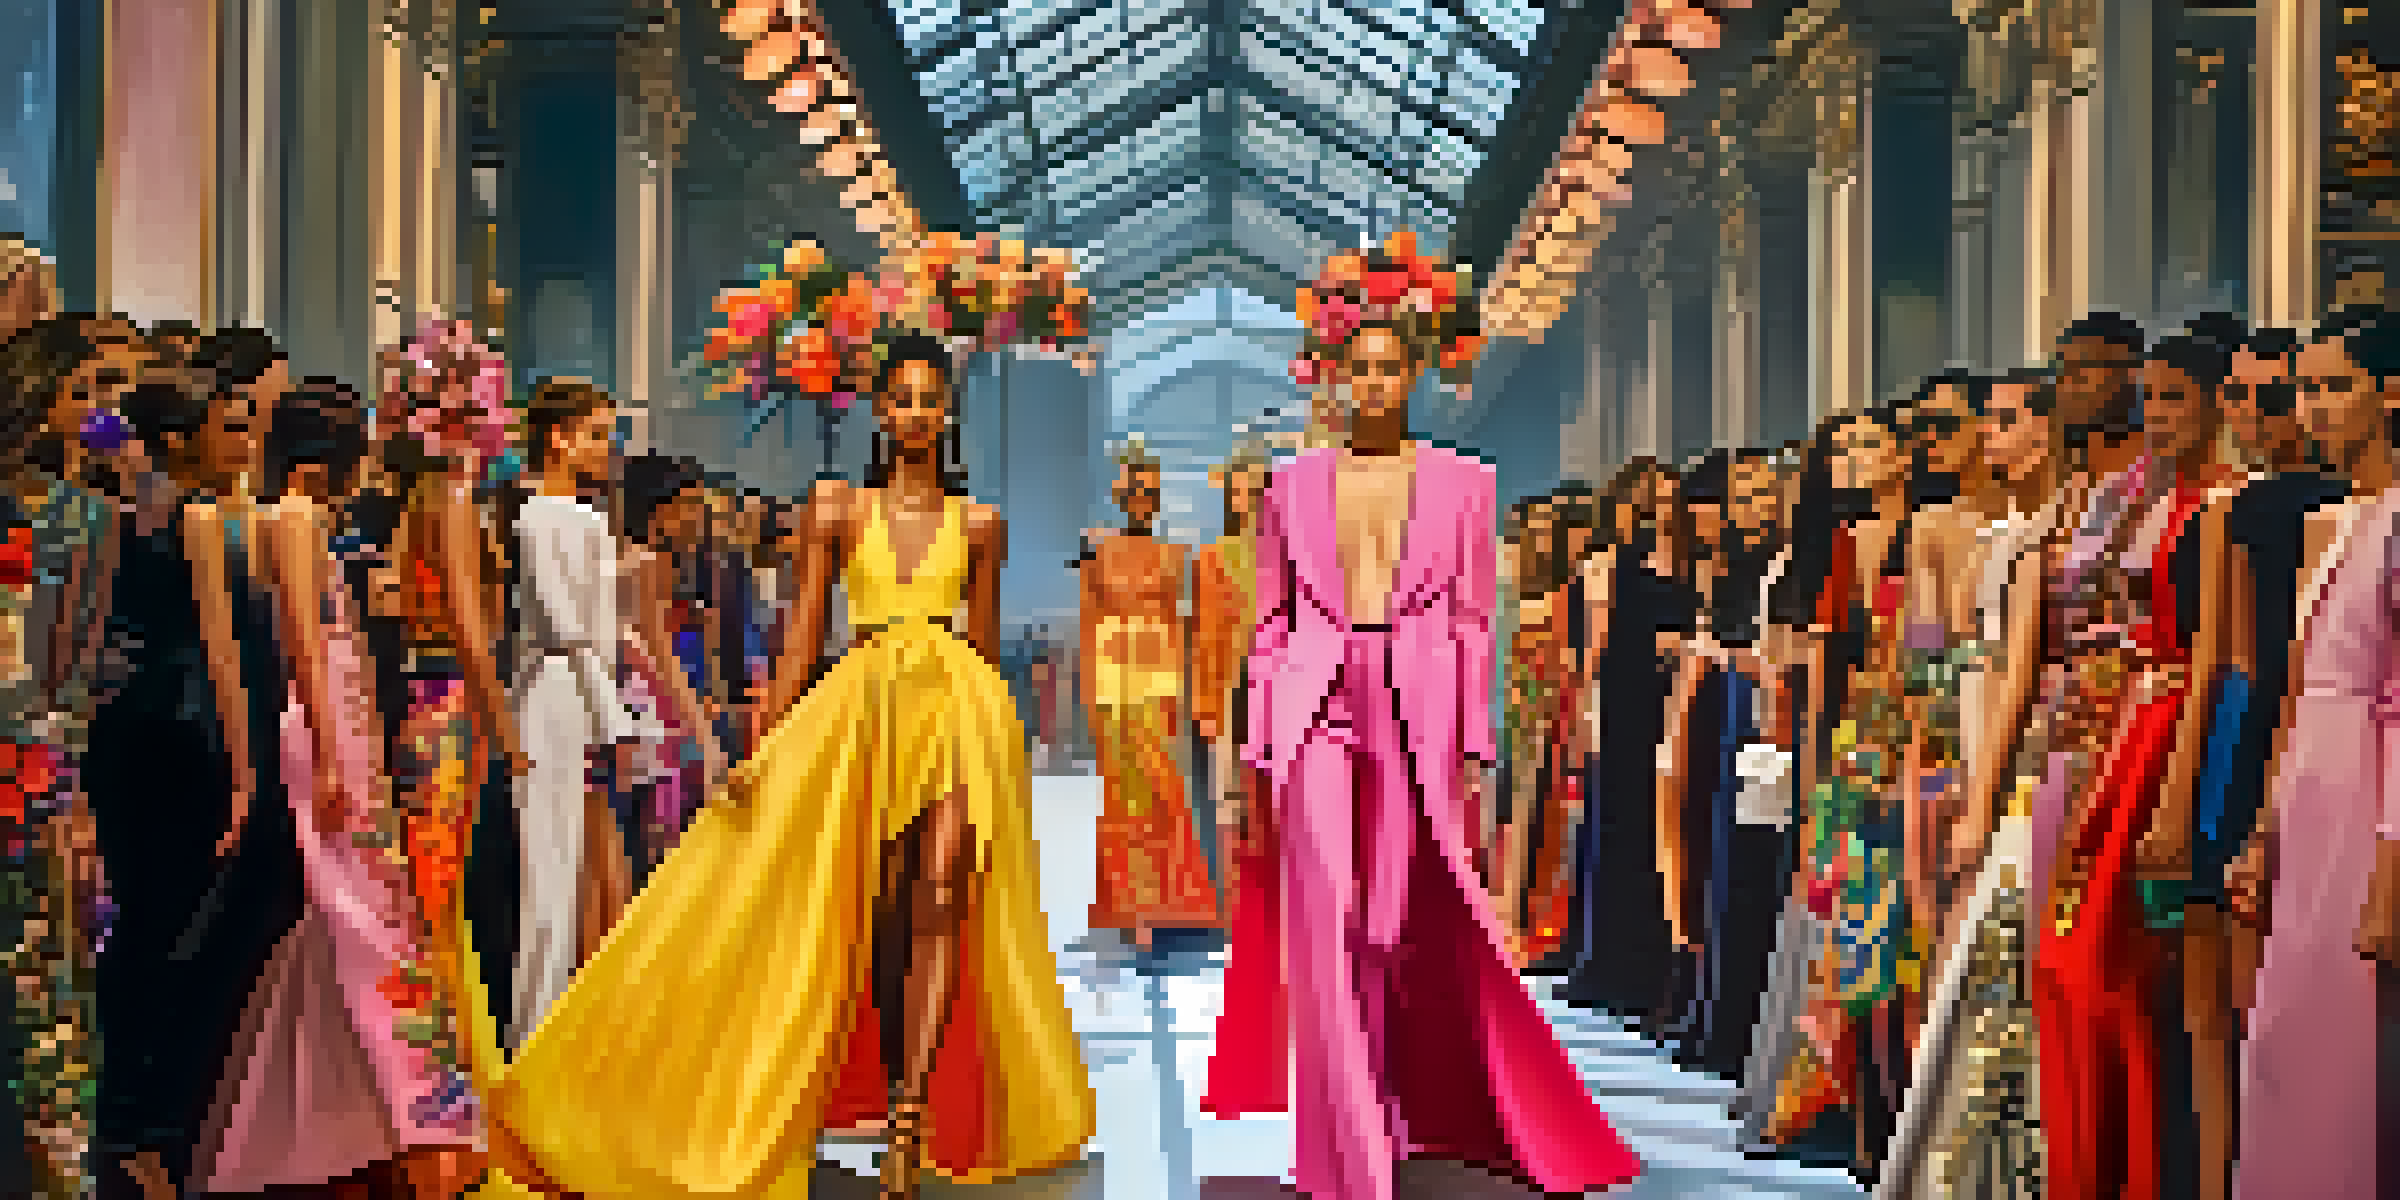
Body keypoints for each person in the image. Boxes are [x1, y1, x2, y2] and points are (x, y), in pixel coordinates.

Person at [456, 333, 1092, 1200]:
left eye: (928, 399)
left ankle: (909, 1119)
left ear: (948, 414)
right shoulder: (833, 508)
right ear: (880, 409)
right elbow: (798, 641)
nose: (914, 412)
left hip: (954, 711)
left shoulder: (980, 526)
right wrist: (759, 744)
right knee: (868, 911)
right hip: (860, 710)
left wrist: (999, 736)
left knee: (941, 891)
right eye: (900, 397)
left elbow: (978, 644)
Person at [1202, 316, 1641, 1200]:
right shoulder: (1290, 488)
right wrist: (1256, 751)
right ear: (1336, 379)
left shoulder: (1464, 487)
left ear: (1412, 377)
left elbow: (1478, 623)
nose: (1372, 386)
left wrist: (1477, 743)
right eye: (1358, 371)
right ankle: (1348, 1153)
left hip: (1417, 711)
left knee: (1390, 926)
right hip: (1315, 708)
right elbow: (1272, 627)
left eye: (1388, 370)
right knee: (1325, 918)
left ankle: (1393, 1112)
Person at [189, 377, 468, 1196]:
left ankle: (351, 1109)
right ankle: (409, 1103)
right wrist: (340, 756)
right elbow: (307, 642)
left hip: (332, 715)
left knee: (349, 917)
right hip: (324, 717)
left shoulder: (281, 520)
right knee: (366, 912)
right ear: (325, 463)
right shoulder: (299, 521)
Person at [83, 345, 306, 1200]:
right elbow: (220, 649)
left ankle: (122, 1126)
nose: (245, 439)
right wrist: (247, 772)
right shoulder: (199, 519)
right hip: (189, 733)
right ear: (186, 440)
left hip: (118, 728)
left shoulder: (110, 510)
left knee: (130, 932)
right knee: (182, 936)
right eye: (229, 424)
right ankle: (155, 1135)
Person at [2225, 305, 2400, 1199]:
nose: (2317, 407)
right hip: (2307, 799)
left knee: (2353, 1053)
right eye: (2310, 390)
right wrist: (2260, 830)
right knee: (2281, 1040)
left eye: (2339, 387)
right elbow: (2291, 689)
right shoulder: (2326, 522)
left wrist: (2389, 867)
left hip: (2371, 806)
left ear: (2392, 394)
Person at [506, 380, 648, 1045]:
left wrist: (615, 707)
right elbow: (562, 626)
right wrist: (613, 718)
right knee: (547, 871)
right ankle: (531, 1037)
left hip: (583, 694)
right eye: (595, 433)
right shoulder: (534, 517)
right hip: (552, 695)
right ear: (558, 437)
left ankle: (555, 1033)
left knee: (574, 872)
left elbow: (604, 627)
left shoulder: (590, 520)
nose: (606, 446)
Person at [1080, 438, 1219, 947]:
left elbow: (1182, 625)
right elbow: (1089, 623)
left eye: (1150, 488)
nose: (1141, 496)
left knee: (1164, 795)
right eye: (1133, 487)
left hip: (1160, 688)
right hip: (1116, 688)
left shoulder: (1174, 555)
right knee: (1126, 799)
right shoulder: (1098, 552)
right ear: (1120, 494)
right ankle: (1135, 907)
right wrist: (1091, 699)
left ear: (1157, 496)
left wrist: (1186, 691)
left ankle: (1168, 900)